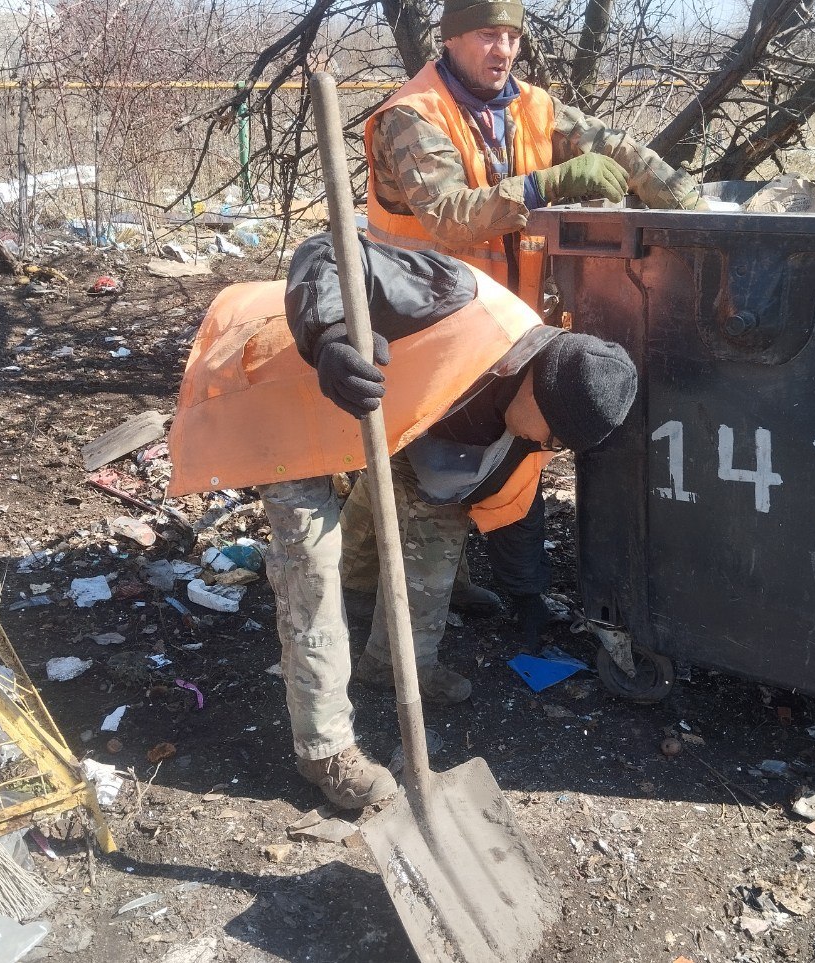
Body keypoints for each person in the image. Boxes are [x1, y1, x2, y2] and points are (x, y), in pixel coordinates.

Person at [166, 234, 638, 809]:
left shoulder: (527, 414)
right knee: (311, 567)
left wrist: (527, 594)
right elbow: (328, 252)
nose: (551, 447)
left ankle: (392, 664)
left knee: (434, 525)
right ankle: (325, 750)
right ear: (539, 384)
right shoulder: (459, 299)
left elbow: (498, 502)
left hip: (376, 423)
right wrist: (333, 337)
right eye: (556, 435)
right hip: (284, 377)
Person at [342, 0, 694, 646]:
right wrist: (546, 185)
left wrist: (688, 199)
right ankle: (477, 596)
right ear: (451, 38)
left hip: (499, 331)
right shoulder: (410, 118)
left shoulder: (531, 108)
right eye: (486, 35)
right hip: (422, 333)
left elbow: (616, 148)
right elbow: (450, 212)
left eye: (510, 35)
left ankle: (376, 581)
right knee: (425, 464)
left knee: (424, 463)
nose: (501, 49)